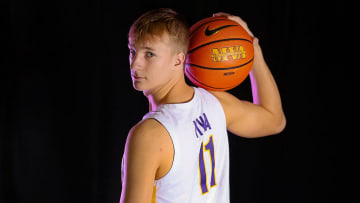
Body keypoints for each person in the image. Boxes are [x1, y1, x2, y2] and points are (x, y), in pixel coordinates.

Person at [120, 8, 286, 203]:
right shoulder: (214, 102)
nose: (134, 64)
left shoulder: (148, 134)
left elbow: (274, 121)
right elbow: (275, 119)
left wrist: (251, 46)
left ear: (179, 59)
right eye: (133, 51)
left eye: (149, 54)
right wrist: (253, 48)